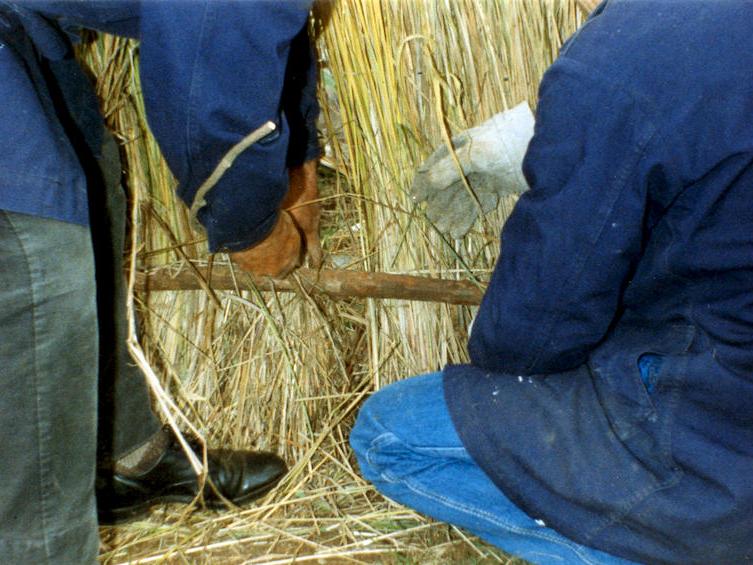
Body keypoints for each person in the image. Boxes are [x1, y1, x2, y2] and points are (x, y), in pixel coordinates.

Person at [351, 1, 753, 564]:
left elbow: (538, 330)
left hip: (716, 438)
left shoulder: (624, 56)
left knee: (388, 433)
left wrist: (581, 151)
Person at [0, 1, 320, 563]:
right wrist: (251, 226)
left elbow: (273, 27)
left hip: (23, 30)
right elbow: (215, 46)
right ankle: (38, 543)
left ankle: (125, 458)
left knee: (88, 176)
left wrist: (301, 158)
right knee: (36, 252)